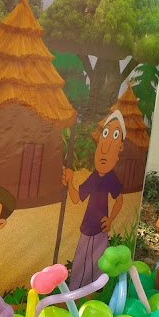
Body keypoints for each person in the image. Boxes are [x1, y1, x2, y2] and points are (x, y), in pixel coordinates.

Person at [63, 110, 125, 290]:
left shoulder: (111, 178)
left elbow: (119, 200)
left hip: (100, 231)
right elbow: (76, 198)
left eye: (114, 136)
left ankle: (95, 292)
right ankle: (74, 293)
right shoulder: (95, 176)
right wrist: (70, 183)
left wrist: (110, 220)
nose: (104, 150)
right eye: (105, 136)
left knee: (97, 264)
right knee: (80, 263)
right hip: (86, 228)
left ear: (119, 150)